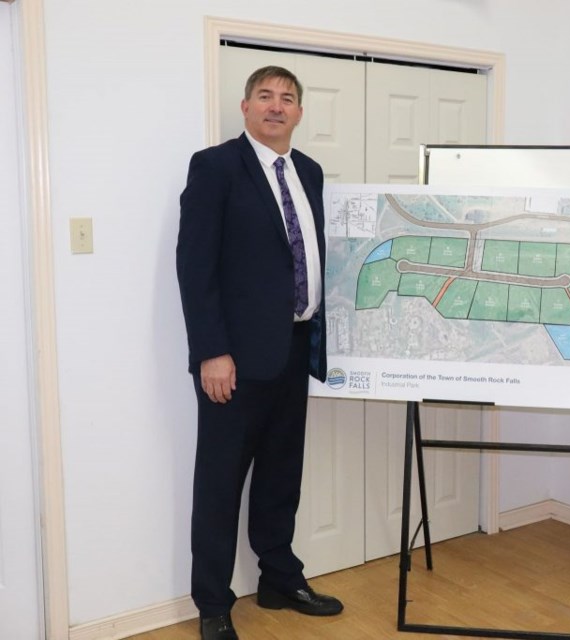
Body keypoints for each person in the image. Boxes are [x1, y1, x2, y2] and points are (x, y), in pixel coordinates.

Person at [176, 65, 340, 640]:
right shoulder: (215, 167)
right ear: (245, 107)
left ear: (299, 112)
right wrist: (211, 352)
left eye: (287, 98)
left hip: (295, 349)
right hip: (235, 361)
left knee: (280, 476)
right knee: (220, 483)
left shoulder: (311, 173)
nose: (276, 107)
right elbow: (196, 269)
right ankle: (214, 603)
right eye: (265, 97)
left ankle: (278, 579)